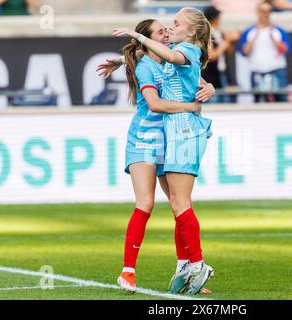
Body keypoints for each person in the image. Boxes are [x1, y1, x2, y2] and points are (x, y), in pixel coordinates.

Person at [98, 19, 215, 294]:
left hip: (169, 139)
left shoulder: (170, 59)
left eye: (168, 29)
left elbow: (194, 76)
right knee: (146, 203)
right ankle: (128, 271)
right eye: (162, 31)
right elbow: (154, 104)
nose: (167, 34)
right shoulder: (146, 66)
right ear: (148, 39)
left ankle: (185, 268)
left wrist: (210, 87)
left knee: (179, 202)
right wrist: (191, 107)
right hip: (143, 140)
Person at [238, 0, 292, 102]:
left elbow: (286, 50)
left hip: (276, 69)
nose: (265, 14)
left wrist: (275, 40)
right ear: (258, 12)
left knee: (282, 100)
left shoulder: (278, 30)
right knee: (258, 101)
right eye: (263, 11)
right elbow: (244, 51)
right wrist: (256, 34)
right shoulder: (250, 31)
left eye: (268, 11)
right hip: (257, 70)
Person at [202, 5, 240, 103]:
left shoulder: (220, 33)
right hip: (211, 78)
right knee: (215, 103)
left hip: (223, 75)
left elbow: (227, 52)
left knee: (227, 103)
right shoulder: (206, 34)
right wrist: (227, 41)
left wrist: (232, 41)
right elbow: (211, 56)